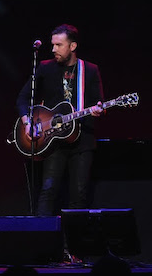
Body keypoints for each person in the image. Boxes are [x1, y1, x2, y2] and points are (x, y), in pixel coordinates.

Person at [16, 24, 104, 216]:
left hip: (82, 141)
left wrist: (98, 110)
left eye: (58, 45)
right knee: (48, 190)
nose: (53, 49)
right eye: (52, 45)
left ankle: (73, 244)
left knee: (79, 195)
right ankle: (41, 239)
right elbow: (23, 98)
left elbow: (99, 103)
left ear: (72, 46)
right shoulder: (45, 68)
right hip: (53, 141)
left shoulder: (89, 70)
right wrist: (27, 123)